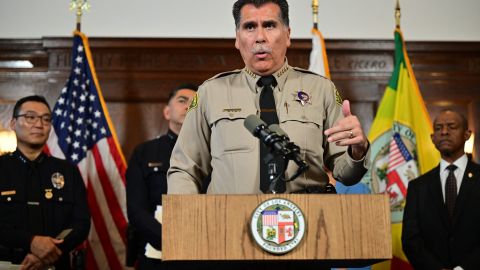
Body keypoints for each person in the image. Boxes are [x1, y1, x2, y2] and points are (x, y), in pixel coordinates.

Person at [167, 0, 370, 195]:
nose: (260, 37)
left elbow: (346, 174)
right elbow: (184, 169)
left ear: (288, 35)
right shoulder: (211, 92)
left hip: (305, 219)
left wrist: (357, 151)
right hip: (230, 221)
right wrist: (189, 221)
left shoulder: (320, 89)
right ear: (237, 38)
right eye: (250, 27)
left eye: (270, 25)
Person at [0, 95, 91, 269]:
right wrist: (31, 241)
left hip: (56, 263)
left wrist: (48, 253)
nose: (39, 124)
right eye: (30, 117)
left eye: (46, 119)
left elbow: (81, 223)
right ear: (13, 124)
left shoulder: (68, 171)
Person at [126, 84, 198, 269]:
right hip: (155, 252)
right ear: (167, 112)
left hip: (201, 250)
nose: (188, 106)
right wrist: (169, 238)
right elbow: (136, 210)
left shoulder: (215, 153)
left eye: (195, 103)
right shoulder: (144, 152)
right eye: (182, 101)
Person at [402, 109, 480, 269]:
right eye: (438, 128)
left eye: (452, 126)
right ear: (432, 138)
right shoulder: (418, 187)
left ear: (467, 134)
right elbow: (411, 240)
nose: (444, 132)